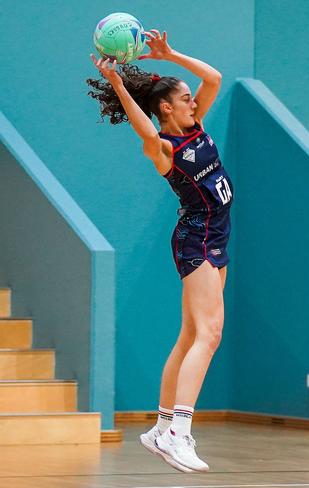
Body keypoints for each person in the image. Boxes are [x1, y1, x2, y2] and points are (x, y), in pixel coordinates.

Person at [87, 30, 232, 473]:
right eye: (184, 98)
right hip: (197, 237)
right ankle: (178, 433)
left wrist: (171, 55)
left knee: (191, 335)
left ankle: (161, 425)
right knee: (210, 334)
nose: (193, 101)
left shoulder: (197, 125)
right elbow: (145, 128)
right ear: (167, 107)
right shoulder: (166, 147)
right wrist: (116, 84)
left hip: (219, 235)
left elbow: (214, 78)